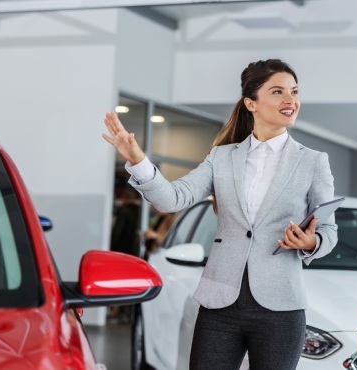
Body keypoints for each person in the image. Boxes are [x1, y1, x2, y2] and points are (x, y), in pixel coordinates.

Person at [102, 59, 338, 370]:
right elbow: (174, 198)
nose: (290, 100)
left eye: (294, 92)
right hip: (219, 304)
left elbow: (329, 231)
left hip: (281, 308)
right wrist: (138, 160)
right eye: (278, 91)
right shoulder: (222, 157)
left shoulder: (313, 162)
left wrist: (310, 242)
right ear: (250, 103)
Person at [109, 184, 141, 257]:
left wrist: (112, 245)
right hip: (134, 247)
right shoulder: (139, 211)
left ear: (124, 198)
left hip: (122, 247)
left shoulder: (123, 211)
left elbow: (118, 231)